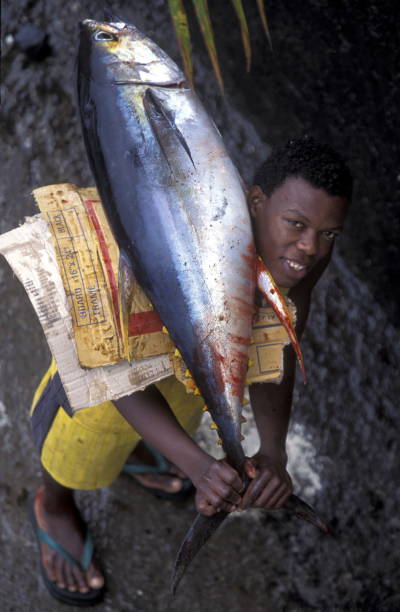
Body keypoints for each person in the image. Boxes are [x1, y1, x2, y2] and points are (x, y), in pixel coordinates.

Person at [28, 135, 352, 605]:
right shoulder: (180, 239)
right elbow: (115, 374)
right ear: (255, 203)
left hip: (190, 369)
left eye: (329, 234)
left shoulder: (301, 256)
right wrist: (196, 464)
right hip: (107, 370)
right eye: (297, 224)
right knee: (76, 448)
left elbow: (276, 339)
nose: (310, 248)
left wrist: (274, 450)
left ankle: (142, 452)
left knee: (179, 414)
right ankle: (52, 507)